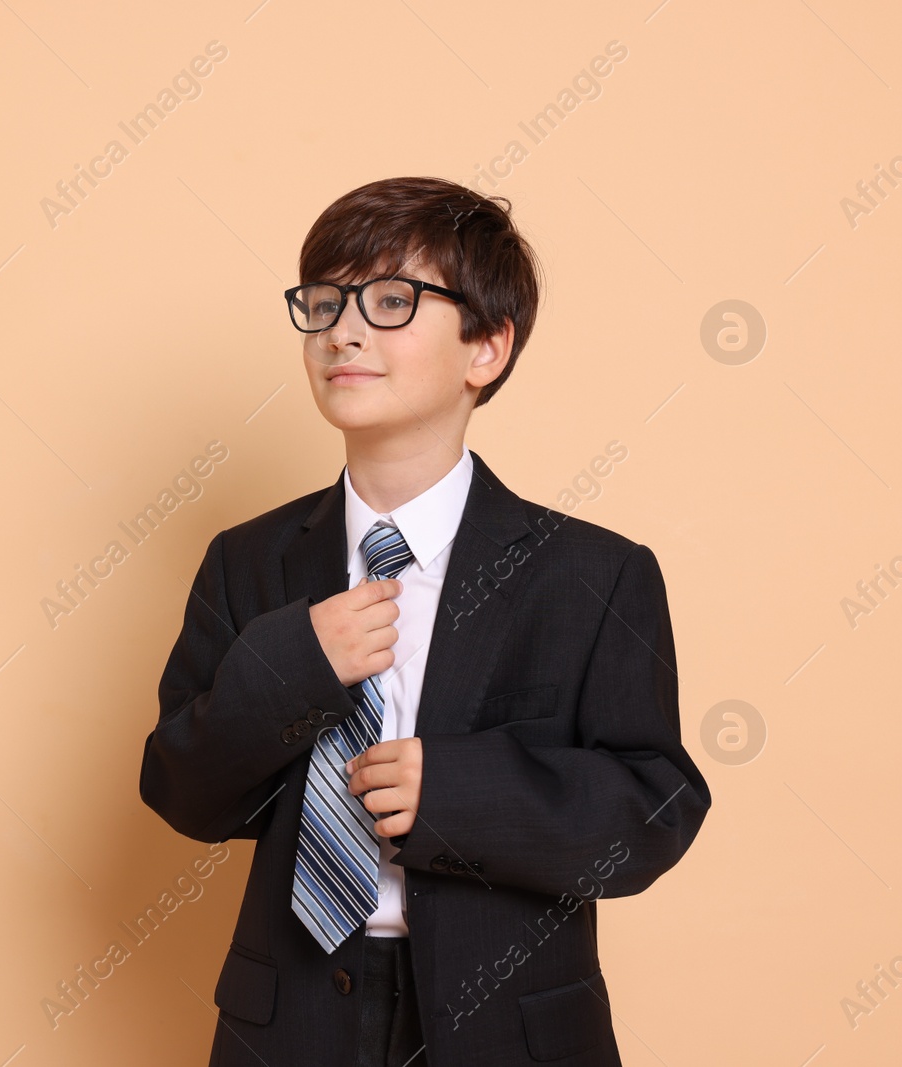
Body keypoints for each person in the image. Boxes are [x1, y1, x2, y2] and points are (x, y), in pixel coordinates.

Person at [139, 176, 712, 1067]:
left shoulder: (595, 574)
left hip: (511, 1026)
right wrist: (293, 666)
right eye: (324, 302)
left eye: (392, 300)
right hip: (287, 1024)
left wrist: (457, 794)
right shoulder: (248, 561)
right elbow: (183, 792)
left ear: (486, 345)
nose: (344, 330)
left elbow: (656, 810)